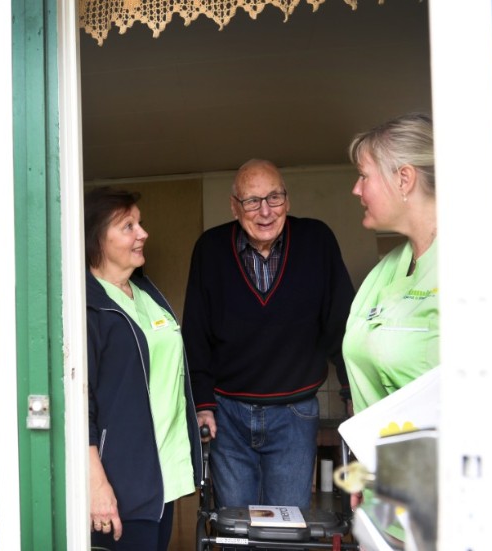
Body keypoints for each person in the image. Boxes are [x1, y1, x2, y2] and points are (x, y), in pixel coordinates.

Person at [182, 159, 354, 510]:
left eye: (274, 198)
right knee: (235, 527)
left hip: (295, 412)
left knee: (288, 527)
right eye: (252, 201)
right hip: (227, 412)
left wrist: (351, 389)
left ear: (287, 201)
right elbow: (196, 332)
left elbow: (342, 322)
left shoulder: (316, 240)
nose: (265, 212)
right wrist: (202, 404)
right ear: (234, 206)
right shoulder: (210, 249)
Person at [85, 187, 202, 551]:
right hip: (120, 487)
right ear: (97, 239)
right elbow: (79, 404)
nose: (143, 233)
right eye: (128, 226)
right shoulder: (88, 306)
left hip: (162, 478)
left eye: (141, 223)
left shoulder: (145, 291)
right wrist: (96, 484)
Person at [343, 113, 438, 420]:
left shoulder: (473, 266)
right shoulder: (385, 270)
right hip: (390, 461)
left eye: (364, 176)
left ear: (404, 179)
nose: (356, 190)